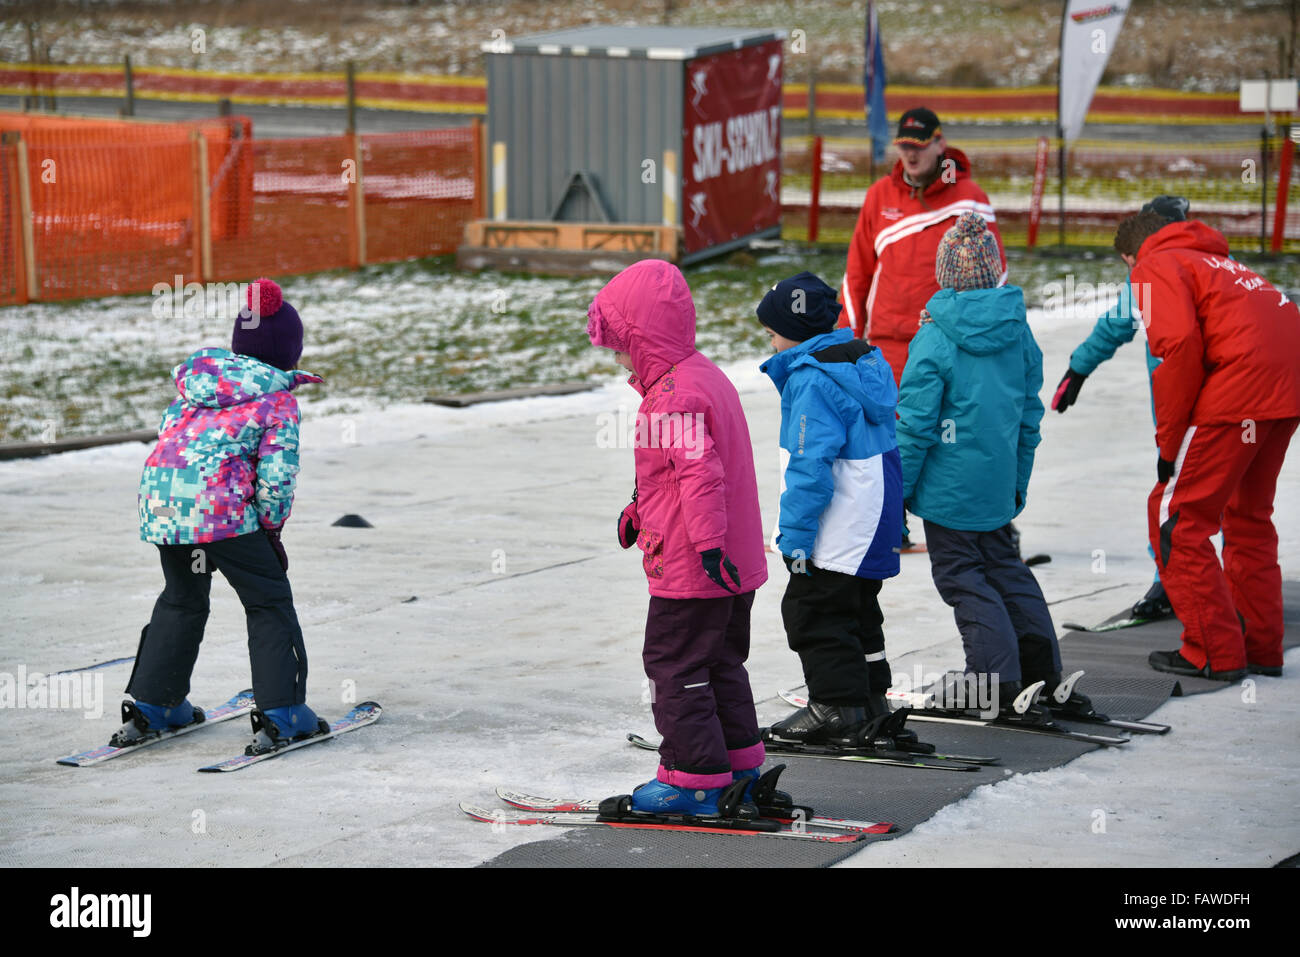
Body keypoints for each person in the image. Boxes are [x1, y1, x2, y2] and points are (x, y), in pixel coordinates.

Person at [587, 259, 769, 815]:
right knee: (720, 664)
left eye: (620, 346)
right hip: (729, 562)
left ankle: (694, 781)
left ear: (643, 337)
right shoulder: (703, 376)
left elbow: (699, 475)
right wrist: (640, 509)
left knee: (675, 667)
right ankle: (742, 768)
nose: (618, 359)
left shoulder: (671, 395)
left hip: (695, 566)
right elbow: (678, 471)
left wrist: (707, 546)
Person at [129, 278, 326, 750]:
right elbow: (277, 477)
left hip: (166, 509)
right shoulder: (276, 401)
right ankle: (282, 711)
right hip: (224, 515)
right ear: (288, 353)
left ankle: (155, 705)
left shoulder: (193, 391)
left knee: (181, 599)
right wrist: (271, 529)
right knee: (268, 601)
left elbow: (171, 442)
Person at [896, 213, 1077, 719]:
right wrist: (1017, 482)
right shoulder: (1018, 333)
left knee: (964, 579)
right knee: (1006, 571)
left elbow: (914, 426)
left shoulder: (934, 338)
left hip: (949, 495)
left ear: (944, 274)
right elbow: (1026, 416)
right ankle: (1040, 671)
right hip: (996, 488)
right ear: (995, 270)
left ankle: (995, 682)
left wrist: (896, 497)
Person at [1115, 211, 1300, 680]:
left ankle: (1212, 651)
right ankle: (1261, 646)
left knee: (1176, 519)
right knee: (1249, 516)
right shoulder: (1224, 265)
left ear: (1133, 253)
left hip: (1240, 390)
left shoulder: (1156, 264)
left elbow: (1177, 346)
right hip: (1286, 391)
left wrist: (1169, 446)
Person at [754, 272, 906, 744]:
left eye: (773, 330)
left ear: (794, 331)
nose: (770, 339)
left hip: (841, 524)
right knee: (858, 608)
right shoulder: (861, 362)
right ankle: (869, 697)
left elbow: (809, 466)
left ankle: (835, 706)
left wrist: (794, 537)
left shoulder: (811, 380)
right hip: (873, 516)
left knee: (812, 610)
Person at [1050, 195, 1190, 621]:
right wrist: (1079, 367)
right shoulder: (1202, 260)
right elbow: (1120, 321)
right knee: (1200, 490)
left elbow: (1118, 323)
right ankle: (1193, 581)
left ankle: (1175, 582)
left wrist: (1078, 369)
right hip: (1202, 398)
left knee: (1177, 488)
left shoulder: (1160, 269)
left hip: (1192, 400)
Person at [839, 107, 1006, 389]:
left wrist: (980, 343)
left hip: (948, 345)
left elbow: (995, 276)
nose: (910, 155)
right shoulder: (879, 194)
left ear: (940, 144)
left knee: (940, 431)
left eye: (919, 146)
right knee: (888, 431)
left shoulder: (969, 197)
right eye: (904, 146)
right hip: (886, 347)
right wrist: (847, 340)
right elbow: (857, 274)